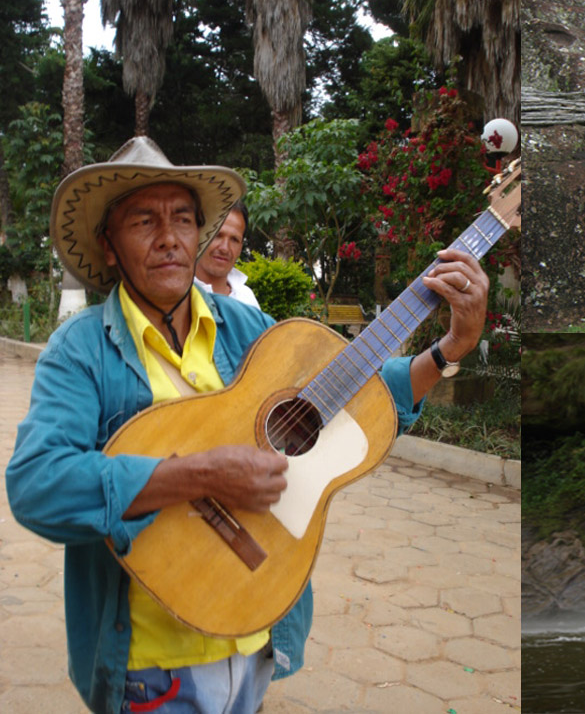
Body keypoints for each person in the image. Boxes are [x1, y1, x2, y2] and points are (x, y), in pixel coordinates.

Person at [4, 137, 488, 714]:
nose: (169, 237)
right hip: (151, 668)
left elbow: (356, 388)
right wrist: (197, 476)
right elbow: (37, 485)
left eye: (183, 219)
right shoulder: (80, 349)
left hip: (258, 634)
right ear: (109, 246)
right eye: (143, 221)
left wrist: (450, 348)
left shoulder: (250, 329)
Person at [194, 200, 261, 309]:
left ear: (240, 247)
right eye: (217, 235)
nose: (225, 248)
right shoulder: (177, 293)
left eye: (234, 239)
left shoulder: (246, 299)